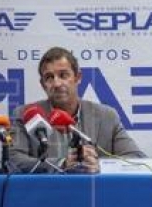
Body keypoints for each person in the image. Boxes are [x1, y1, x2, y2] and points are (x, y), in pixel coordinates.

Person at [10, 47, 144, 174]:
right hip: (46, 194)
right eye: (49, 77)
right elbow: (13, 161)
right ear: (43, 84)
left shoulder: (106, 116)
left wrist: (99, 166)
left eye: (63, 75)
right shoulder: (26, 114)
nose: (57, 84)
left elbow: (136, 158)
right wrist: (62, 164)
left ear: (78, 78)